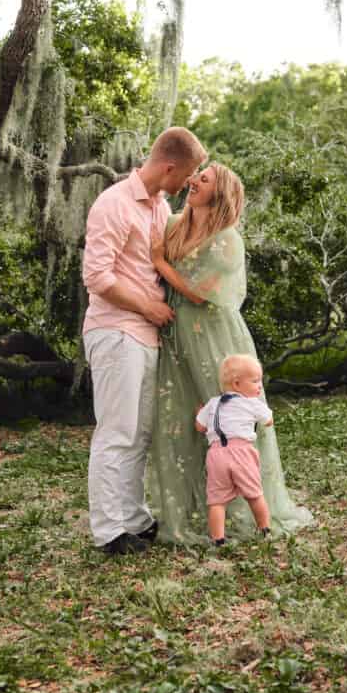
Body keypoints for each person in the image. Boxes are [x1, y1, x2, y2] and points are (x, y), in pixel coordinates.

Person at [148, 161, 313, 544]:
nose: (193, 181)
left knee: (229, 414)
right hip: (176, 335)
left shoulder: (226, 239)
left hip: (215, 336)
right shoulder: (174, 224)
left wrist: (159, 260)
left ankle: (249, 509)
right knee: (183, 418)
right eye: (195, 176)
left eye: (203, 180)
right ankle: (192, 508)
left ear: (219, 193)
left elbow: (195, 290)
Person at [82, 126, 207, 555]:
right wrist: (148, 308)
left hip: (145, 335)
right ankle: (108, 529)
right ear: (169, 166)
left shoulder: (158, 206)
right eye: (189, 174)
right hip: (115, 330)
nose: (189, 183)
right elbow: (97, 276)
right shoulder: (114, 204)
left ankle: (134, 519)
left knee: (140, 433)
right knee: (116, 430)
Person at [195, 354, 273, 546]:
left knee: (217, 501)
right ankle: (265, 529)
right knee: (254, 494)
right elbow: (268, 421)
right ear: (237, 384)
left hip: (216, 454)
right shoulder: (252, 403)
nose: (259, 386)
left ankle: (218, 539)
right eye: (255, 381)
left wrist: (199, 412)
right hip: (242, 452)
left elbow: (200, 427)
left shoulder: (213, 403)